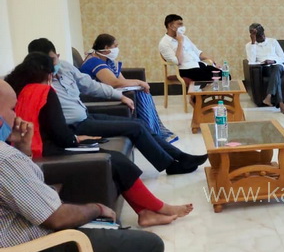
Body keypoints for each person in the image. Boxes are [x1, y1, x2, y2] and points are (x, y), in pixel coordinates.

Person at [0, 79, 164, 252]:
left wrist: (23, 151)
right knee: (149, 245)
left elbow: (25, 194)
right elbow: (56, 218)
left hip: (15, 250)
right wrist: (96, 208)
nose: (17, 116)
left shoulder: (9, 156)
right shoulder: (4, 159)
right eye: (11, 109)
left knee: (112, 235)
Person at [6, 53, 192, 226]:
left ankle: (146, 212)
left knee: (117, 158)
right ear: (48, 74)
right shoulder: (45, 92)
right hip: (49, 150)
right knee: (116, 160)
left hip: (34, 148)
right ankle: (158, 207)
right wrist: (78, 139)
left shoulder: (18, 90)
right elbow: (61, 136)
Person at [27, 38, 206, 175]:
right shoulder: (37, 83)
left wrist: (119, 96)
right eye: (46, 62)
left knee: (139, 123)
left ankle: (180, 157)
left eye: (53, 59)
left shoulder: (65, 67)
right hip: (75, 126)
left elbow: (91, 86)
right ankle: (170, 165)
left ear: (57, 56)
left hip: (86, 116)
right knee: (135, 127)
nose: (52, 65)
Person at [80, 33, 177, 143]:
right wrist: (139, 82)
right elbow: (114, 83)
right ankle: (150, 134)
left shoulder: (106, 60)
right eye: (115, 46)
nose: (117, 49)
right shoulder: (94, 61)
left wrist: (138, 84)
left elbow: (122, 80)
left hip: (106, 91)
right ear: (106, 48)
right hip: (94, 96)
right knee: (142, 94)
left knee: (142, 92)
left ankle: (152, 131)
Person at [158, 14, 219, 81]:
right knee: (210, 78)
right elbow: (177, 62)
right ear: (170, 26)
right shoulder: (164, 43)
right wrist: (180, 42)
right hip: (186, 69)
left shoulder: (185, 37)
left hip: (199, 65)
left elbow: (198, 53)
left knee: (223, 75)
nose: (182, 27)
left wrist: (213, 62)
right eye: (179, 24)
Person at [246, 23, 284, 114]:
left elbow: (283, 58)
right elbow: (251, 61)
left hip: (277, 65)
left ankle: (269, 96)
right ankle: (280, 103)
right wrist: (253, 43)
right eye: (259, 36)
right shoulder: (249, 46)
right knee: (276, 78)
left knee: (276, 68)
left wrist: (273, 61)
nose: (262, 37)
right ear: (253, 37)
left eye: (263, 34)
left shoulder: (273, 41)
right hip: (265, 68)